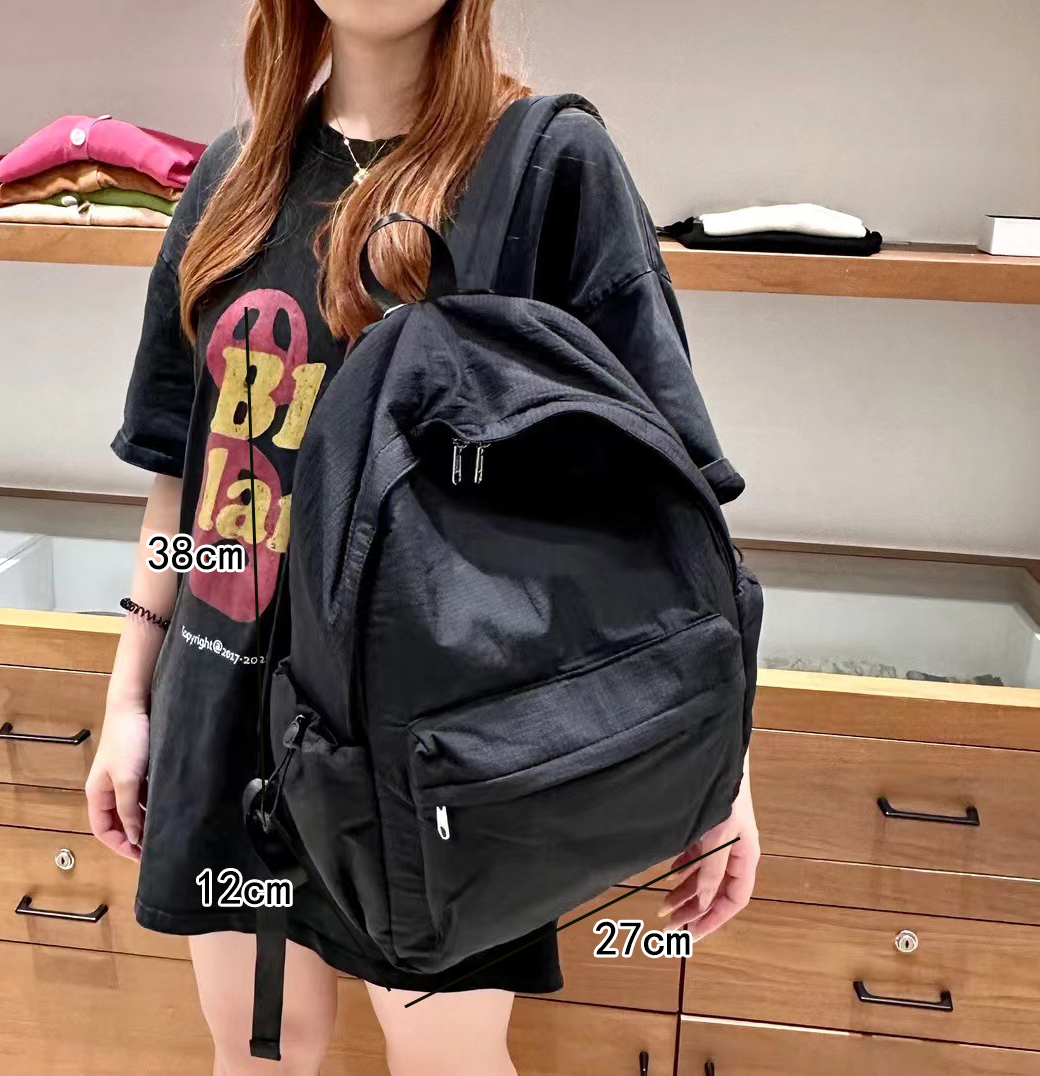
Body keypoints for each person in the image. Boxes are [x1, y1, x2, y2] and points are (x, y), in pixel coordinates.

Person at [86, 1, 760, 1073]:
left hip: (434, 735)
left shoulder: (546, 166)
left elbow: (660, 482)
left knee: (446, 1059)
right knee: (257, 1048)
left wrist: (721, 768)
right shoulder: (232, 176)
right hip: (228, 715)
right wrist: (130, 698)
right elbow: (183, 470)